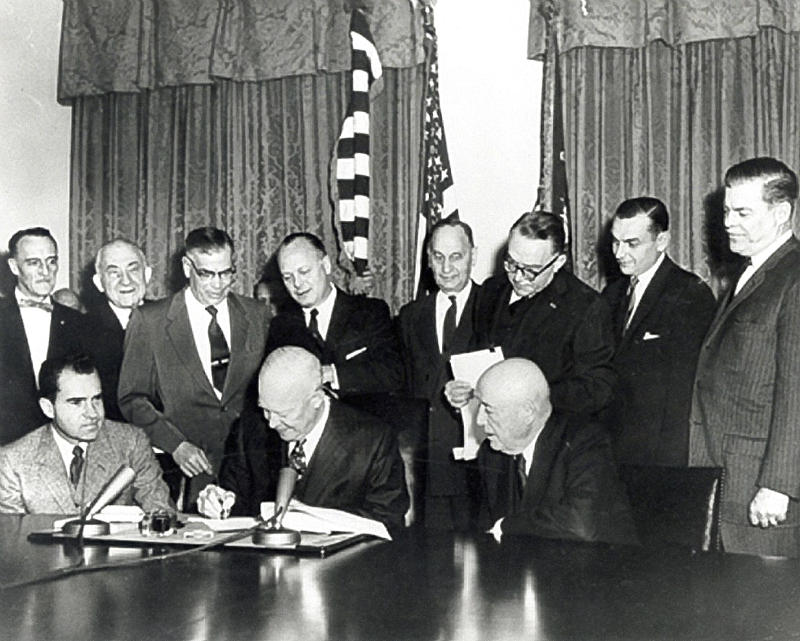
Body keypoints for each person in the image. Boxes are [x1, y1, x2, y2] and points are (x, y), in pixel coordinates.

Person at [690, 157, 800, 557]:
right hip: (727, 477)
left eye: (742, 212)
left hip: (760, 488)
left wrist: (779, 485)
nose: (728, 223)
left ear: (781, 213)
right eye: (726, 211)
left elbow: (796, 391)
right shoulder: (749, 272)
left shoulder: (795, 277)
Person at [118, 227, 269, 506]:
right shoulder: (149, 321)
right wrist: (175, 445)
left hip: (249, 470)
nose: (219, 284)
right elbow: (131, 399)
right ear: (187, 267)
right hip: (184, 471)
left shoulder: (257, 314)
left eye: (226, 272)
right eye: (207, 274)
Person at [198, 347, 409, 532]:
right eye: (266, 410)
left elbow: (388, 521)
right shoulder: (251, 430)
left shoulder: (372, 441)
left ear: (316, 399)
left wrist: (315, 522)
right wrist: (218, 504)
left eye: (284, 414)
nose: (271, 423)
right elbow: (236, 500)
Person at [446, 211, 615, 417]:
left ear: (558, 262)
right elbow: (476, 354)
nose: (518, 277)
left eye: (531, 270)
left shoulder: (586, 307)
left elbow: (598, 388)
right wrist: (461, 389)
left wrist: (532, 396)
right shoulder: (491, 290)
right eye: (511, 263)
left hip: (547, 432)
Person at [600, 198, 715, 466]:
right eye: (615, 242)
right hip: (611, 449)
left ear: (661, 241)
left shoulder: (691, 294)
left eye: (632, 243)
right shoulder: (612, 293)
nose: (618, 253)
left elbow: (685, 394)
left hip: (657, 455)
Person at [475, 358, 637, 545]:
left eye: (488, 409)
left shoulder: (584, 441)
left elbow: (580, 524)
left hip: (600, 567)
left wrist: (506, 526)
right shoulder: (491, 453)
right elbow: (486, 529)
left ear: (527, 411)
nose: (479, 420)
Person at [0, 354, 173, 515]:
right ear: (48, 408)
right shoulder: (12, 462)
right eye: (76, 402)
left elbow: (162, 514)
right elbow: (12, 541)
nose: (92, 413)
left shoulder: (131, 442)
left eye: (96, 399)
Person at [398, 216, 480, 530]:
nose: (446, 268)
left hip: (478, 469)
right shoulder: (410, 316)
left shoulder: (494, 307)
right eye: (438, 257)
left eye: (456, 257)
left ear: (473, 254)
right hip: (426, 470)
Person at [266, 232, 403, 396]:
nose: (297, 284)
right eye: (288, 277)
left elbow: (393, 373)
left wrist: (333, 373)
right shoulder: (281, 326)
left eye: (304, 272)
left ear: (326, 265)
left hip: (362, 419)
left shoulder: (370, 312)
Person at [0, 227, 85, 444]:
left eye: (51, 261)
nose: (45, 271)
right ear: (14, 266)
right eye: (33, 262)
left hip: (60, 443)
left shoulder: (78, 322)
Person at [85, 239, 152, 420]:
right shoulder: (82, 330)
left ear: (147, 274)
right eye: (114, 273)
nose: (126, 281)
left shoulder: (170, 319)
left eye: (133, 269)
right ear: (99, 283)